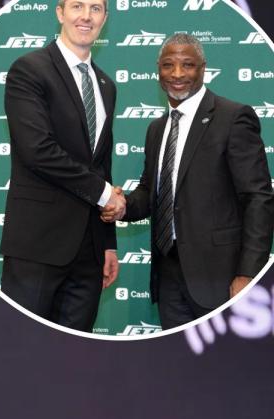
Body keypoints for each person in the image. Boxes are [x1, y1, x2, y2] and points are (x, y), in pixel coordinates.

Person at [101, 34, 274, 329]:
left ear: (203, 69)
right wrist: (122, 206)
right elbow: (150, 191)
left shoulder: (233, 118)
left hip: (221, 277)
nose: (177, 74)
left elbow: (258, 197)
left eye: (187, 65)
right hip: (169, 274)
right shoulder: (156, 129)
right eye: (168, 65)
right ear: (158, 70)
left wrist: (248, 274)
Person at [0, 0, 123, 333]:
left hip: (90, 252)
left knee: (75, 354)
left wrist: (108, 243)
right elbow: (37, 151)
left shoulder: (107, 85)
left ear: (105, 18)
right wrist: (105, 194)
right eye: (77, 6)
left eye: (95, 9)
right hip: (38, 243)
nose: (86, 16)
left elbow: (101, 165)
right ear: (60, 13)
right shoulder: (29, 69)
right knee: (23, 346)